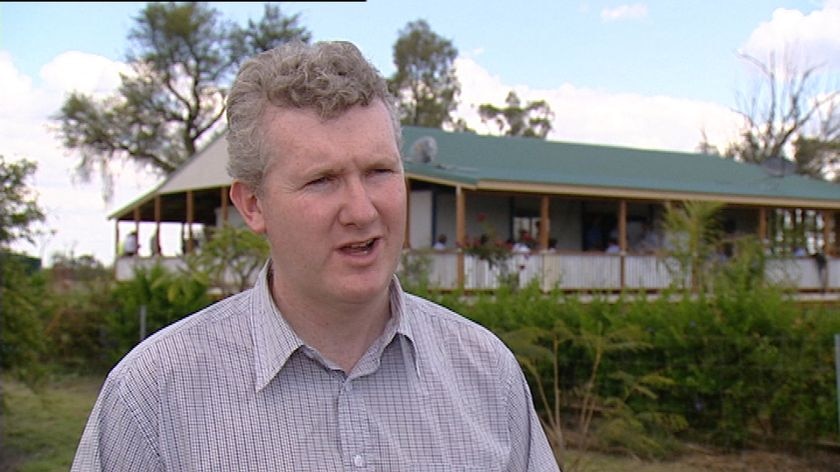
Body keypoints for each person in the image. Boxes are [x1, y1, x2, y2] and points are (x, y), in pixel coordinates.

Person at [72, 41, 560, 471]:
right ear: (253, 204)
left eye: (379, 171)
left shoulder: (487, 373)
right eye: (322, 180)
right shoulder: (153, 397)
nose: (362, 210)